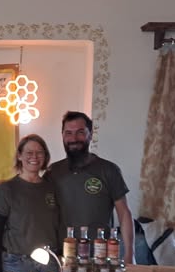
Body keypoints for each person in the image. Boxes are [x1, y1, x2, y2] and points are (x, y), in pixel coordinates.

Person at [47, 111, 135, 264]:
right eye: (68, 133)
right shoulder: (53, 172)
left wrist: (130, 254)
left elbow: (124, 213)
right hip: (62, 258)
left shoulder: (109, 170)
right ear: (62, 135)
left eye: (80, 132)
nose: (74, 138)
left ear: (90, 134)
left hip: (100, 258)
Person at [0, 134, 60, 272]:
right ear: (19, 156)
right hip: (16, 264)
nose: (34, 157)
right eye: (29, 152)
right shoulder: (6, 189)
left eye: (39, 152)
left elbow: (58, 226)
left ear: (45, 156)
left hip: (49, 264)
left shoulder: (52, 188)